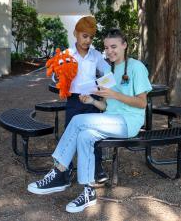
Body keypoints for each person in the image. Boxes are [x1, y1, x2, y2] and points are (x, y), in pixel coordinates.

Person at [27, 28, 152, 213]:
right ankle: (88, 192)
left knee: (78, 120)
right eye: (107, 47)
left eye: (114, 46)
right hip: (110, 120)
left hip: (128, 123)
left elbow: (142, 103)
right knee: (85, 136)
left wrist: (114, 94)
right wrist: (92, 100)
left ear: (124, 45)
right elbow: (106, 106)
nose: (110, 51)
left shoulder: (136, 67)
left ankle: (59, 171)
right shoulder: (108, 71)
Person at [62, 16, 111, 184]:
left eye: (90, 37)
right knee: (69, 134)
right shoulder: (67, 55)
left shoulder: (95, 55)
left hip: (91, 100)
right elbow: (56, 79)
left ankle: (97, 168)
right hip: (73, 101)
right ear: (76, 33)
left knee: (93, 135)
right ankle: (66, 169)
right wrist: (59, 74)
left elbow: (109, 73)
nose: (87, 40)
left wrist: (98, 86)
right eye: (84, 36)